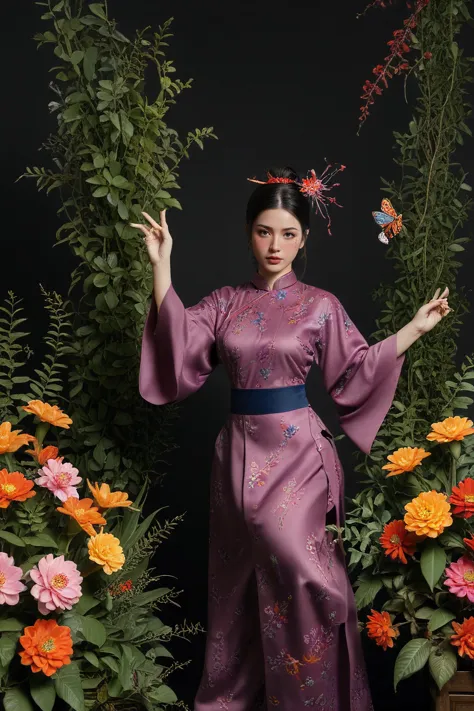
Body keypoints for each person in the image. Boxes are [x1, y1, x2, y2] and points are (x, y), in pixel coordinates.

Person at [132, 166, 451, 711]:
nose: (275, 245)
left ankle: (315, 701)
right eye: (263, 231)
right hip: (235, 455)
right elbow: (180, 345)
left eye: (287, 233)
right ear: (248, 234)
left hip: (299, 454)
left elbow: (353, 370)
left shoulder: (320, 305)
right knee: (235, 584)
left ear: (303, 238)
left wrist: (412, 331)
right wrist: (162, 268)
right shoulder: (225, 301)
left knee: (306, 579)